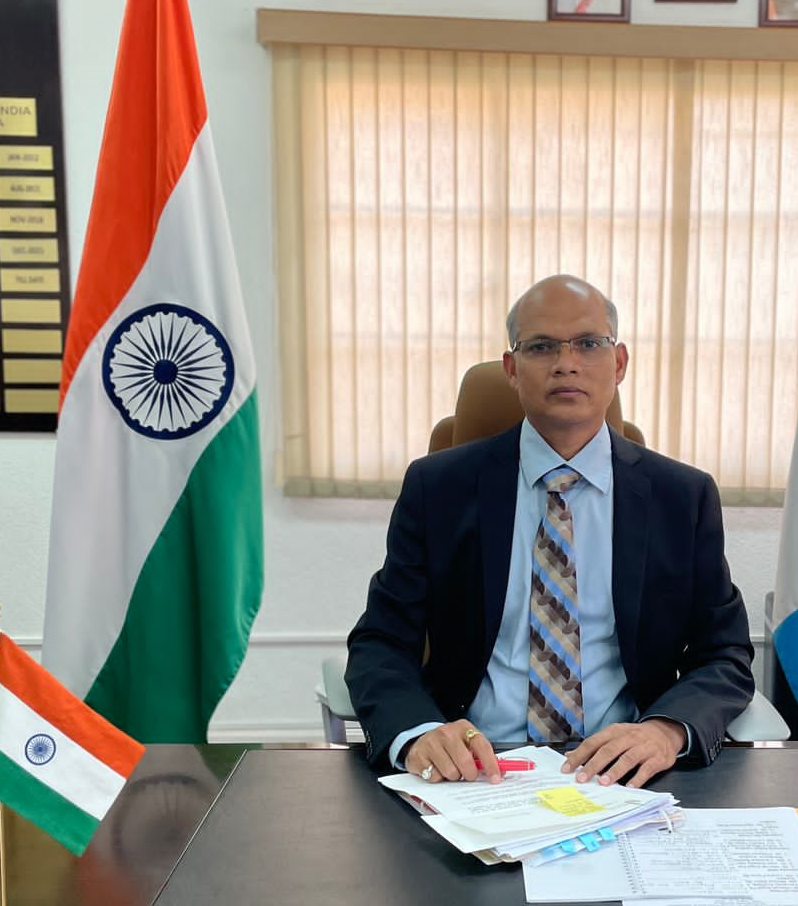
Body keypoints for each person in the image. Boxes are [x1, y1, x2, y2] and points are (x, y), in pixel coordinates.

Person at [345, 274, 754, 789]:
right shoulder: (439, 489)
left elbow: (725, 653)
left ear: (619, 363)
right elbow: (380, 642)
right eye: (541, 346)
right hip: (476, 771)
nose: (566, 363)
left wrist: (666, 731)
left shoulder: (682, 497)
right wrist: (419, 732)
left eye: (588, 343)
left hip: (623, 773)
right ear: (511, 369)